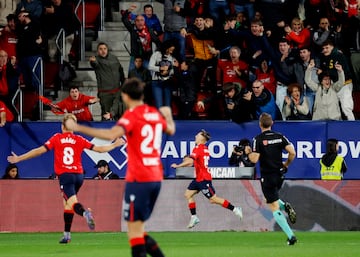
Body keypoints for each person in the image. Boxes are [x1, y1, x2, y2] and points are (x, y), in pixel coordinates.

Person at [64, 77, 176, 257]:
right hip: (156, 177)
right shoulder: (154, 114)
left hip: (139, 178)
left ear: (125, 96)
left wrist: (77, 127)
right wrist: (168, 114)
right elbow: (170, 130)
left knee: (134, 231)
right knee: (137, 229)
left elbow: (110, 133)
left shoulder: (132, 116)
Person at [7, 113, 123, 244]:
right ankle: (67, 235)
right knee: (67, 203)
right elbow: (100, 149)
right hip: (79, 176)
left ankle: (85, 213)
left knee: (73, 203)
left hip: (65, 176)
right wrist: (114, 145)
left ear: (62, 127)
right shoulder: (79, 139)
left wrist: (19, 158)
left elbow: (39, 151)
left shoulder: (57, 138)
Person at [170, 129, 243, 229]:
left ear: (202, 138)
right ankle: (194, 217)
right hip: (198, 178)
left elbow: (190, 161)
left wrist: (178, 165)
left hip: (204, 179)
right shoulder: (205, 149)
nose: (195, 136)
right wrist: (187, 161)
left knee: (213, 199)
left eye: (197, 135)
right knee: (188, 194)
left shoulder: (198, 148)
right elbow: (192, 162)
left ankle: (235, 209)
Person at [248, 112, 297, 246]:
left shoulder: (257, 139)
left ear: (260, 124)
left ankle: (291, 236)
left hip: (267, 176)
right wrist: (286, 165)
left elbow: (254, 159)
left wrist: (248, 152)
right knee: (270, 198)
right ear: (272, 124)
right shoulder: (280, 137)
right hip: (279, 175)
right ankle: (285, 206)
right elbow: (292, 152)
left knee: (273, 206)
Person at [89, 42, 126, 120]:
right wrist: (92, 61)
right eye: (100, 49)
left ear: (107, 49)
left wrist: (123, 83)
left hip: (117, 92)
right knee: (106, 116)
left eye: (105, 49)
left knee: (118, 114)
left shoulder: (114, 58)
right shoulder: (97, 60)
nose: (103, 51)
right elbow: (94, 64)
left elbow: (120, 70)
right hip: (105, 94)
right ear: (97, 51)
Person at [148, 39, 178, 109]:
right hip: (156, 82)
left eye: (172, 50)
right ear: (166, 48)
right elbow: (150, 66)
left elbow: (172, 72)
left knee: (168, 105)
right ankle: (159, 119)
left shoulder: (171, 57)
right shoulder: (156, 54)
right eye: (170, 50)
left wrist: (173, 68)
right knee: (159, 105)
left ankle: (167, 119)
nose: (171, 52)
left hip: (167, 82)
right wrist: (160, 68)